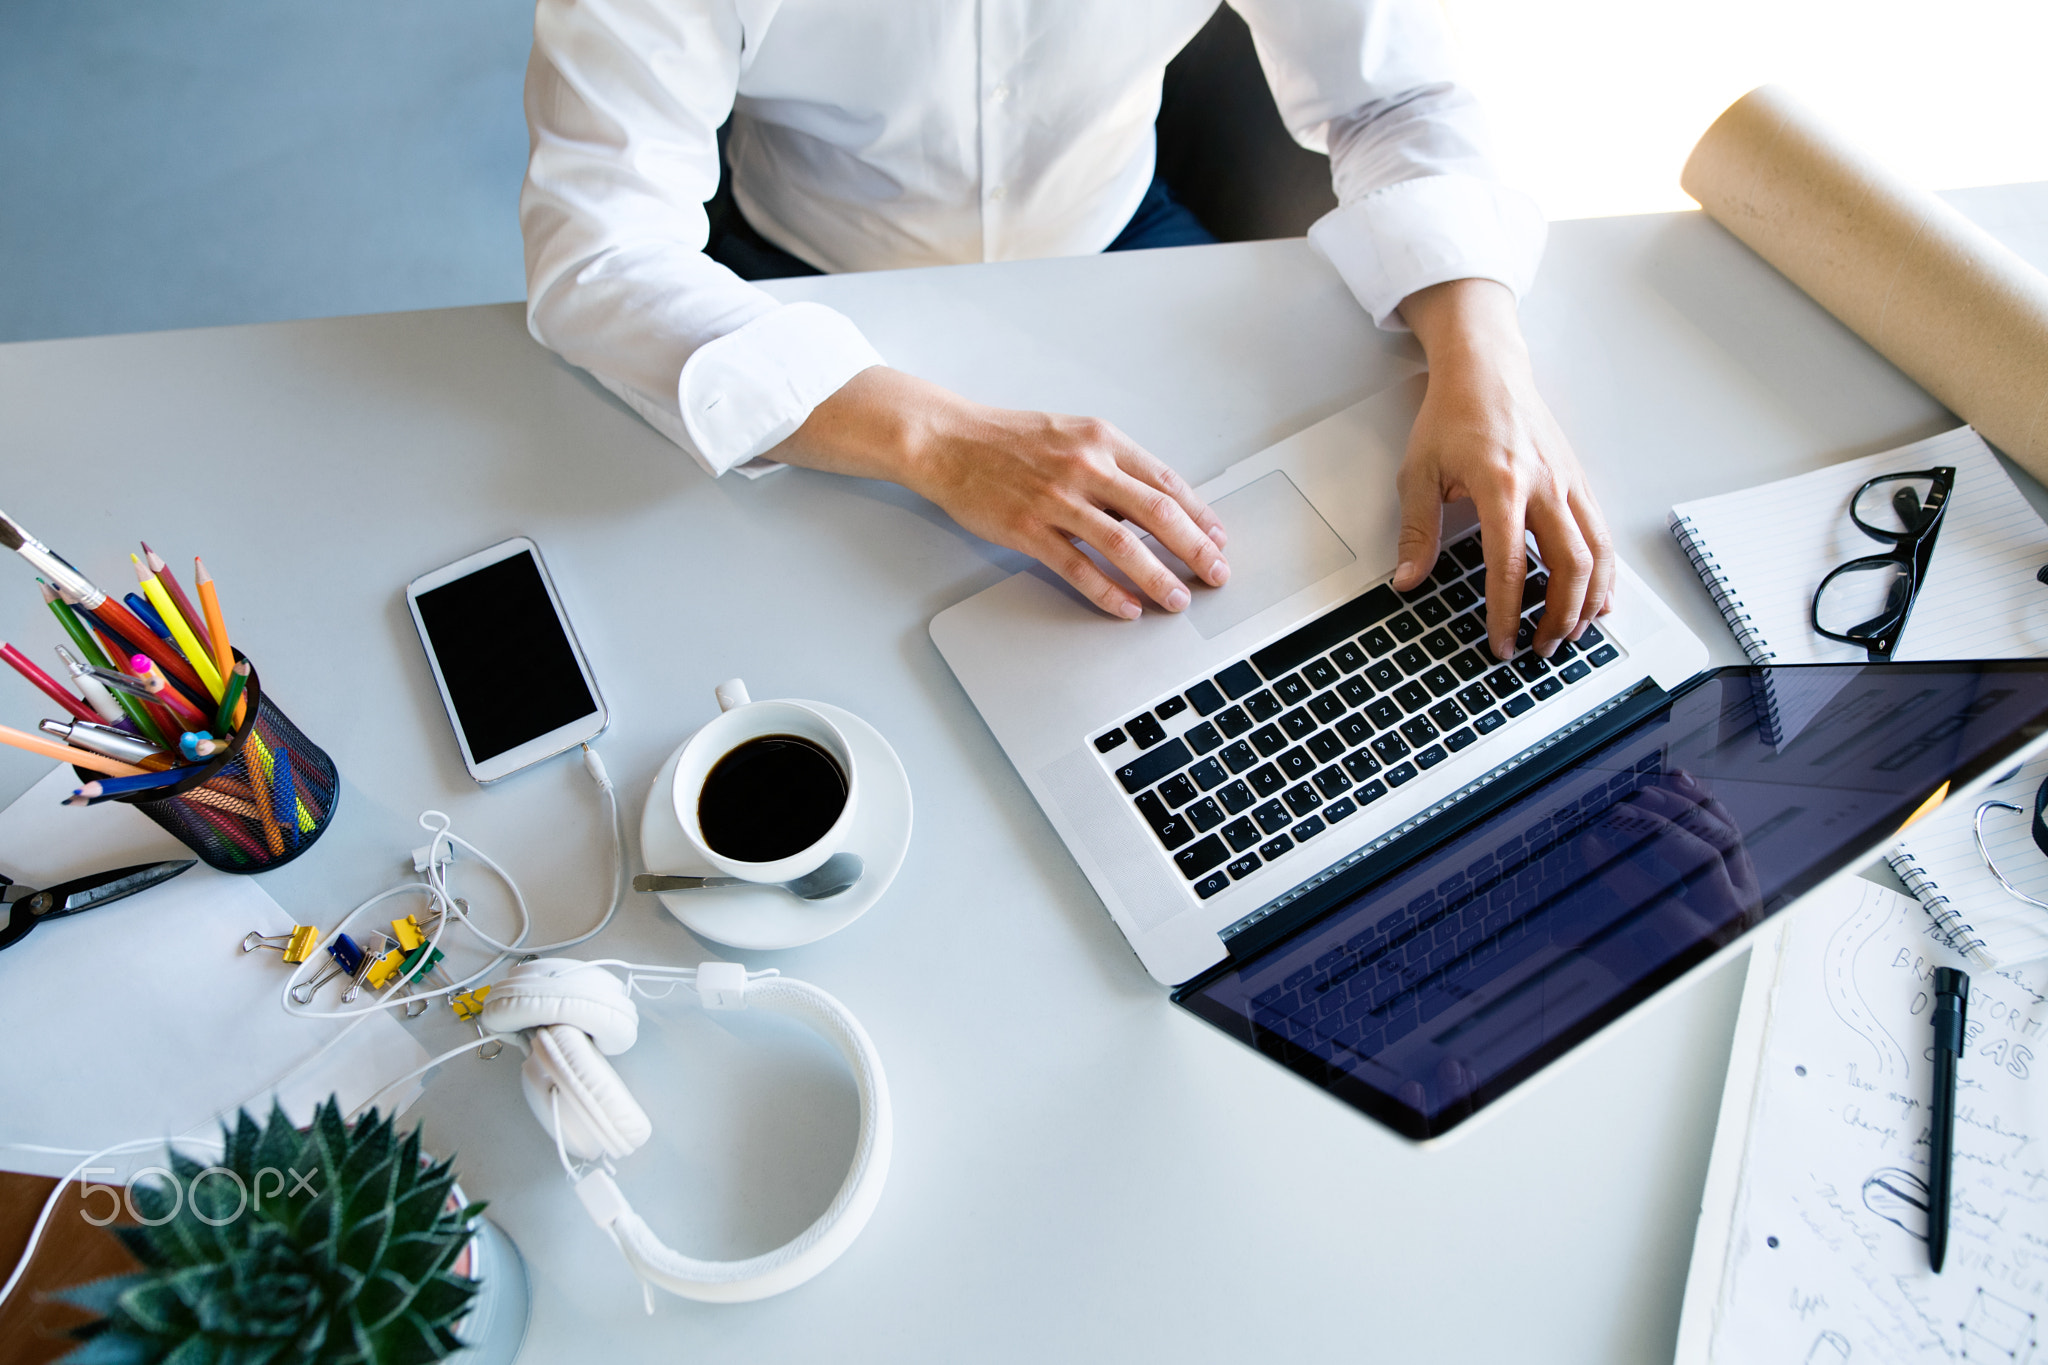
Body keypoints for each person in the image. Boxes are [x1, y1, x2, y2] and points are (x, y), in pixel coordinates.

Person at [520, 0, 1612, 660]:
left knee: (1261, 609)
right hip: (806, 293)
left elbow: (1395, 98)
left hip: (1121, 238)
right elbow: (599, 250)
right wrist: (938, 441)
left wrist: (1482, 352)